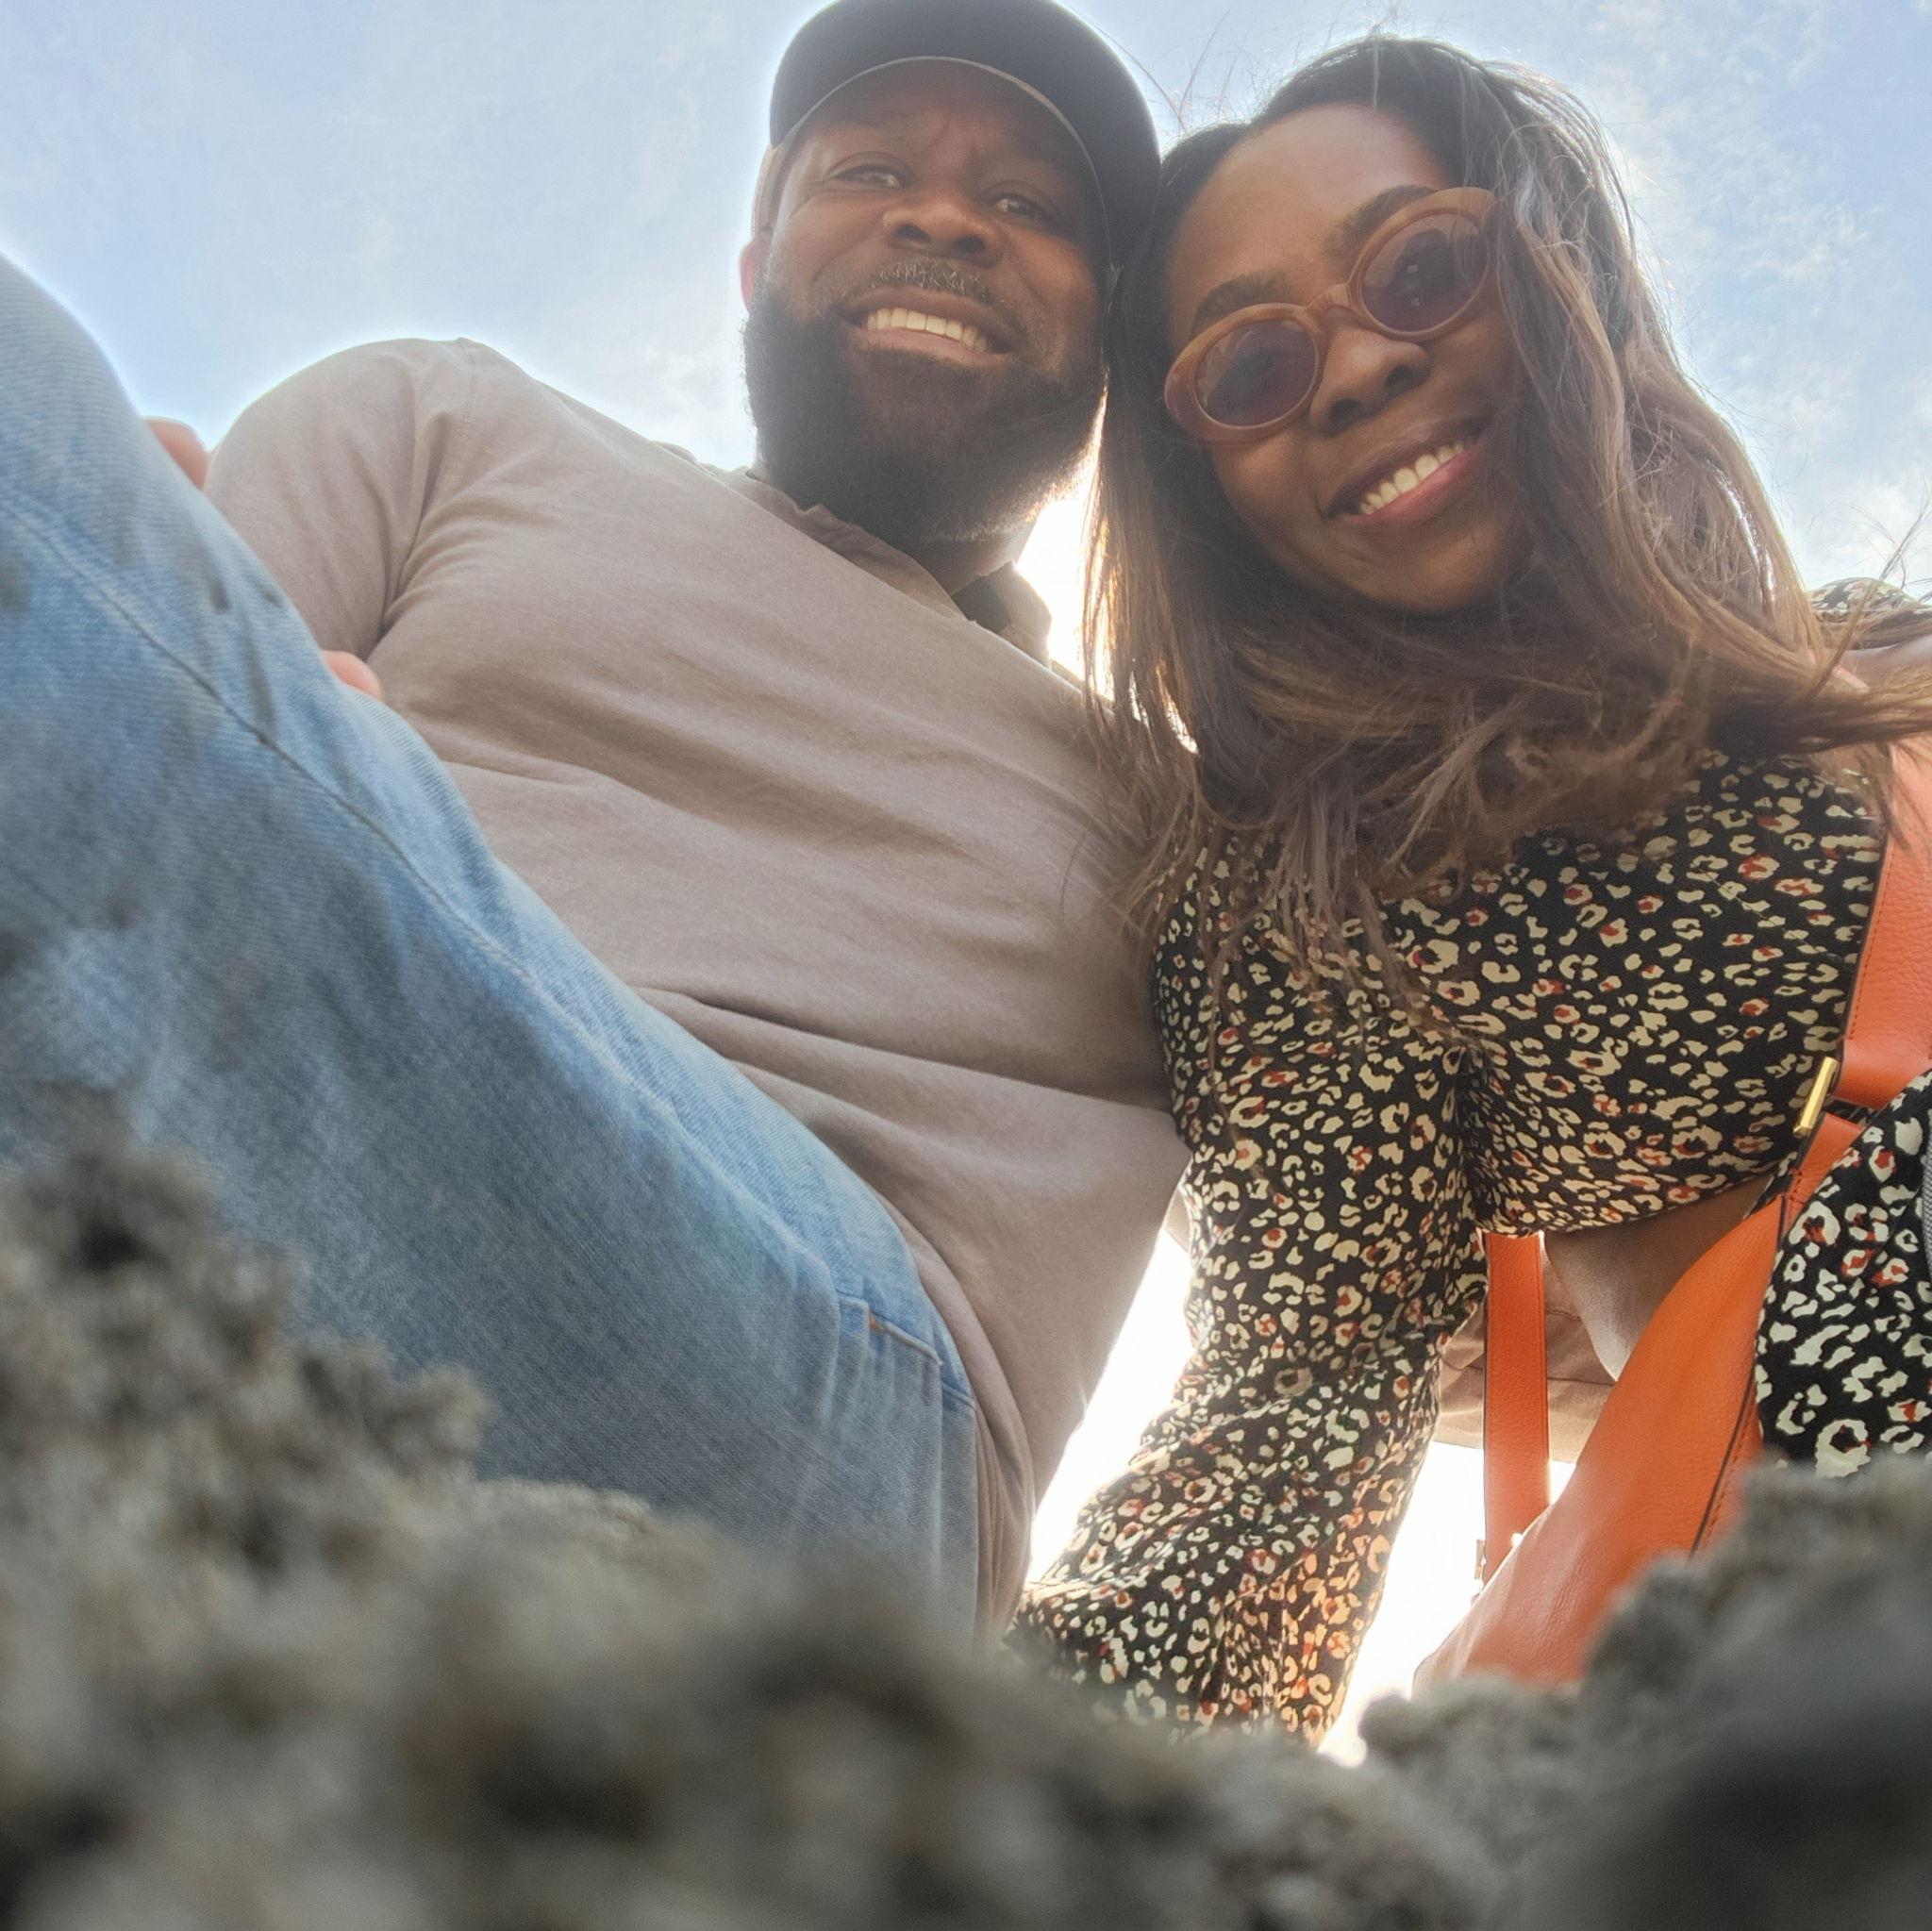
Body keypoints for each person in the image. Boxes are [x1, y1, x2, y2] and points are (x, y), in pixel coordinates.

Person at [0, 0, 1186, 1638]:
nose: (943, 216)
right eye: (872, 167)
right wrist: (175, 652)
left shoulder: (1181, 807)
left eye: (1031, 207)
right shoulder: (448, 422)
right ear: (752, 259)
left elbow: (1440, 1219)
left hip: (836, 1406)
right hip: (275, 1065)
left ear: (1112, 338)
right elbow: (182, 745)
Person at [1013, 33, 1932, 1732]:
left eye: (1420, 267)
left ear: (1554, 264)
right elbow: (1281, 1438)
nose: (1355, 368)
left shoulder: (1890, 672)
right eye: (1251, 364)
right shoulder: (1319, 888)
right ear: (1206, 486)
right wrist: (979, 1820)